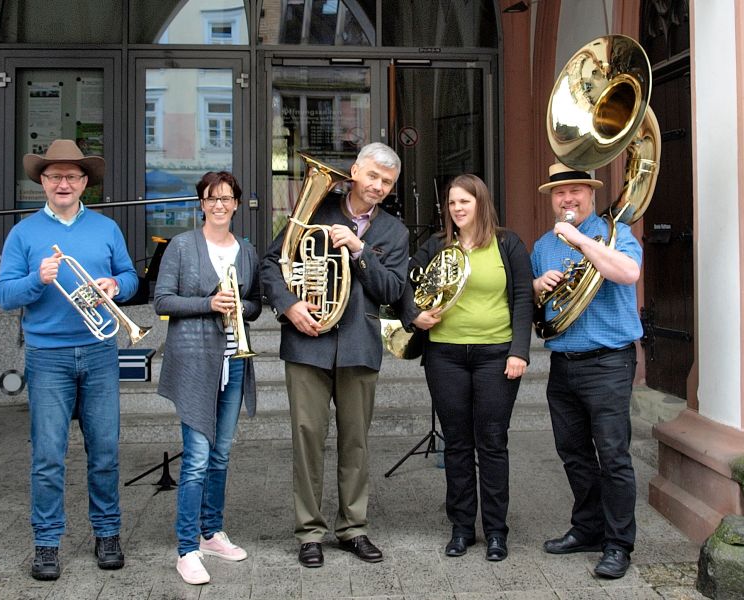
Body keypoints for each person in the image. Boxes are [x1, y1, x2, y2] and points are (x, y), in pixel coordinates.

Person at [0, 139, 137, 581]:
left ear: (84, 184)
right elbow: (3, 295)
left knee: (106, 452)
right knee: (49, 456)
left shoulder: (106, 229)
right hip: (47, 356)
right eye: (54, 176)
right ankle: (47, 543)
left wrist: (114, 285)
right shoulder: (23, 233)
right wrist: (36, 280)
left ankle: (108, 533)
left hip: (98, 351)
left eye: (72, 176)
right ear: (41, 181)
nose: (63, 183)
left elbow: (132, 278)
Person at [261, 143, 409, 568]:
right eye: (373, 176)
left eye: (387, 182)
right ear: (355, 171)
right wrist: (290, 305)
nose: (378, 186)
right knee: (307, 438)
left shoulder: (394, 233)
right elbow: (273, 264)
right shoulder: (316, 209)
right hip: (308, 342)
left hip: (360, 346)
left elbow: (393, 291)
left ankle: (353, 528)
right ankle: (309, 531)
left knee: (355, 442)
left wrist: (360, 253)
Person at [395, 174, 533, 561]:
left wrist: (519, 351)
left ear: (481, 203)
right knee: (456, 444)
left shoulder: (508, 244)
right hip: (445, 356)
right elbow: (403, 283)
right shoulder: (437, 246)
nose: (457, 209)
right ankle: (460, 528)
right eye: (452, 203)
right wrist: (415, 315)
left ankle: (495, 532)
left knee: (492, 443)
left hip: (496, 354)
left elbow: (523, 299)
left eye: (464, 202)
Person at [531, 162, 642, 579]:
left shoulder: (617, 234)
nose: (567, 199)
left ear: (591, 195)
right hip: (564, 363)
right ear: (551, 199)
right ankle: (588, 528)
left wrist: (578, 239)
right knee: (574, 453)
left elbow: (627, 273)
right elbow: (534, 305)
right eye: (560, 194)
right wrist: (538, 285)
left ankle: (618, 544)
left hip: (609, 362)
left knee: (613, 456)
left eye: (576, 191)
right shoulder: (543, 245)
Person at [154, 171, 261, 585]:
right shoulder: (182, 246)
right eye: (211, 198)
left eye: (227, 198)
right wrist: (209, 302)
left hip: (234, 360)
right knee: (196, 459)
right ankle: (186, 548)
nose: (219, 204)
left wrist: (242, 307)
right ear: (201, 203)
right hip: (197, 362)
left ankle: (212, 532)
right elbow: (162, 300)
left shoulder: (246, 251)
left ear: (236, 204)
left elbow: (254, 304)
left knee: (221, 454)